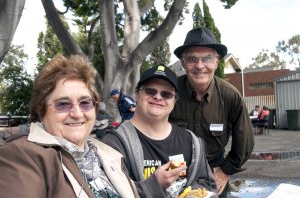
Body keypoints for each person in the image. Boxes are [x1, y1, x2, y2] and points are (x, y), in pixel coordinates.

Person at [0, 54, 141, 197]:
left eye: (85, 103)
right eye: (63, 104)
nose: (77, 113)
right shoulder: (23, 155)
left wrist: (156, 181)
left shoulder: (104, 152)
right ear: (41, 110)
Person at [102, 65, 217, 198]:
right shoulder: (113, 143)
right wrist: (154, 185)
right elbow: (107, 193)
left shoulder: (191, 141)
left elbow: (207, 183)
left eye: (166, 94)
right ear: (136, 95)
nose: (158, 97)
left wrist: (194, 194)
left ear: (175, 101)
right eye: (150, 91)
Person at [169, 27, 255, 197]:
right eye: (192, 59)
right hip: (174, 167)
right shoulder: (169, 92)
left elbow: (245, 142)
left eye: (207, 58)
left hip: (214, 168)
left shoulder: (230, 96)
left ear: (216, 62)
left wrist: (224, 171)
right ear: (183, 62)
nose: (200, 66)